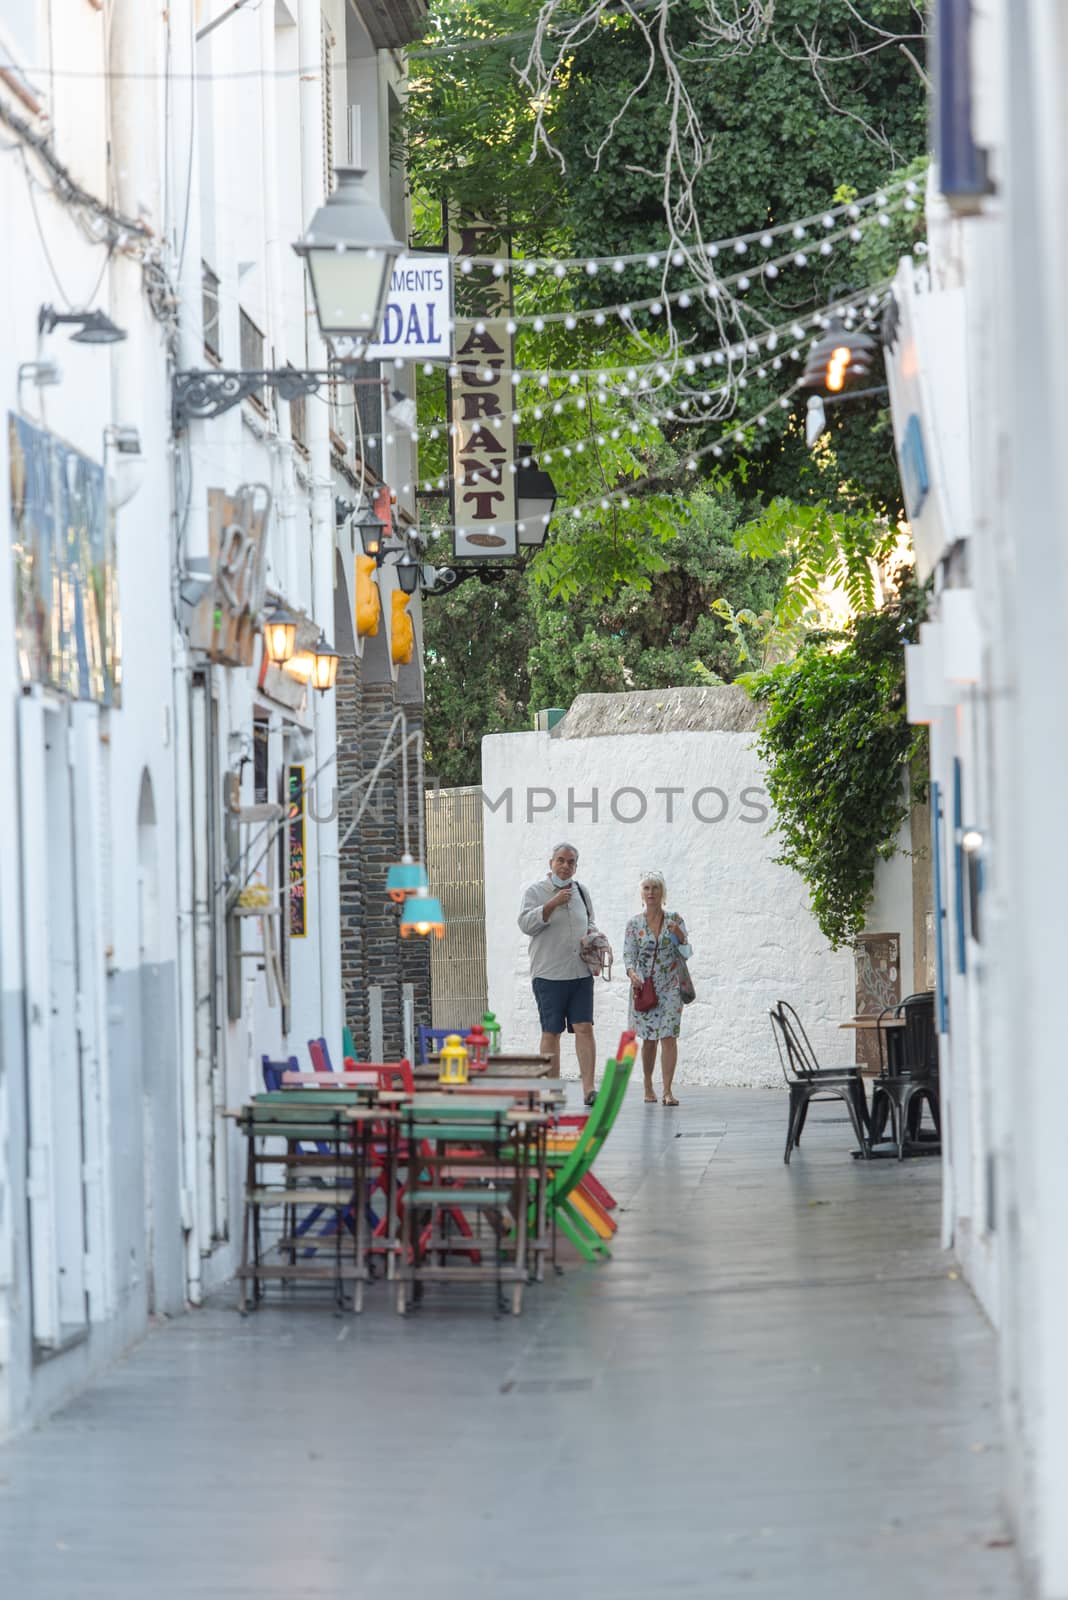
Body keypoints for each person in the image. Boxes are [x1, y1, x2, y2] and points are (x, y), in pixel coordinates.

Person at [518, 842, 600, 1105]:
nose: (566, 866)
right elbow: (525, 924)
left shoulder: (582, 892)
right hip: (548, 974)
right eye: (561, 860)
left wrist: (594, 938)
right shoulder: (536, 891)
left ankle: (589, 1089)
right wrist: (551, 903)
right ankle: (553, 1091)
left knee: (584, 1028)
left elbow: (590, 922)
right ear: (551, 862)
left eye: (572, 862)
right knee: (551, 1031)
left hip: (580, 973)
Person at [623, 871, 692, 1106]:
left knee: (669, 1036)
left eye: (655, 888)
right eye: (646, 888)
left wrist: (680, 936)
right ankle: (648, 1084)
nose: (651, 892)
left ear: (663, 893)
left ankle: (668, 1091)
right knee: (649, 1039)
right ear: (641, 894)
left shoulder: (674, 919)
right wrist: (632, 974)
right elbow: (628, 956)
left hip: (671, 985)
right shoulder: (634, 924)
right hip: (644, 986)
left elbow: (687, 953)